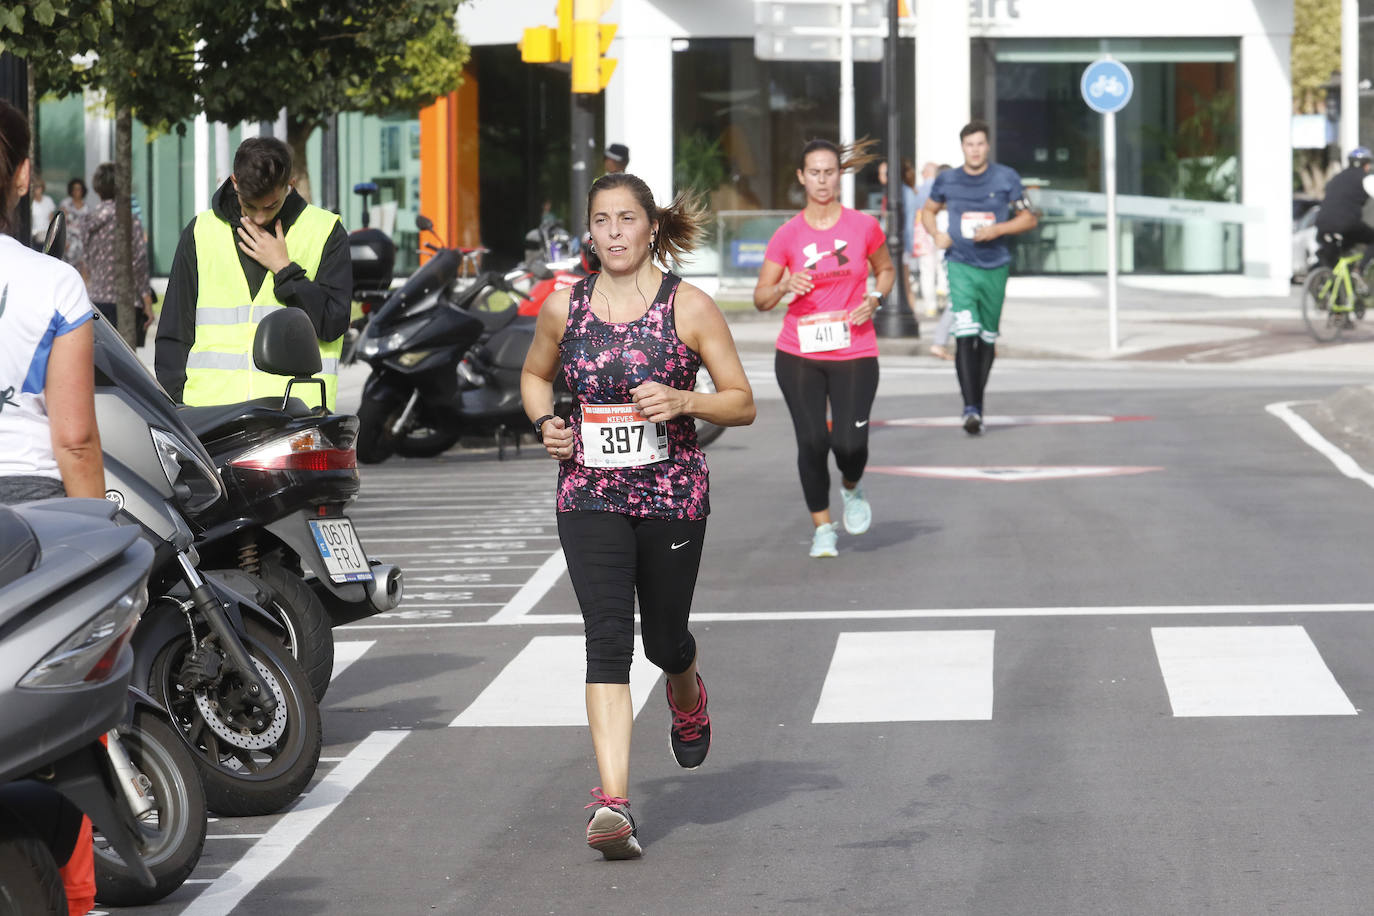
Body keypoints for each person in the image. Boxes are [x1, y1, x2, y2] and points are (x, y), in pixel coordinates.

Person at [521, 171, 755, 860]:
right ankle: (615, 803)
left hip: (671, 493)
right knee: (606, 638)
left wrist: (686, 402)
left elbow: (740, 401)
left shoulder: (691, 307)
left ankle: (686, 687)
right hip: (588, 492)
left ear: (651, 226)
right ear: (588, 232)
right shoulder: (566, 308)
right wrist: (545, 423)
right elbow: (536, 376)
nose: (615, 232)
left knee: (663, 640)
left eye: (628, 219)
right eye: (603, 221)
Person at [0, 98, 105, 916]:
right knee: (59, 730)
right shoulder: (52, 283)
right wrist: (104, 543)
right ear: (25, 175)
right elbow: (74, 440)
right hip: (37, 520)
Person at [753, 138, 893, 559]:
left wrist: (876, 299)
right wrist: (783, 285)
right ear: (801, 177)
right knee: (812, 441)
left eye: (829, 171)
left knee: (850, 445)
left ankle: (852, 486)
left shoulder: (862, 227)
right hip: (799, 352)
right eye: (814, 172)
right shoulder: (787, 235)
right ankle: (822, 527)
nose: (822, 180)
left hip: (855, 349)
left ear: (840, 175)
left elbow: (885, 269)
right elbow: (761, 298)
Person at [155, 136, 351, 408]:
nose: (259, 217)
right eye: (250, 205)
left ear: (289, 186)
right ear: (235, 183)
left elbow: (332, 324)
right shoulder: (201, 231)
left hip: (296, 414)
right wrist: (177, 403)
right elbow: (174, 332)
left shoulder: (325, 230)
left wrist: (285, 270)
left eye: (270, 206)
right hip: (209, 414)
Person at [921, 120, 1037, 434]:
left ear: (987, 146)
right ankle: (969, 408)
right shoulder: (948, 179)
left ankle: (977, 404)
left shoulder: (1006, 177)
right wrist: (936, 235)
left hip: (995, 265)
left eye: (980, 144)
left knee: (986, 338)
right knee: (965, 333)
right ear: (962, 147)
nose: (975, 150)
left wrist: (998, 229)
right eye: (969, 144)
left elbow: (1029, 217)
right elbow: (928, 211)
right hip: (960, 264)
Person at [83, 162, 155, 343]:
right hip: (127, 301)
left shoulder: (90, 219)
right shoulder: (129, 219)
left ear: (97, 188)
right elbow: (138, 261)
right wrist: (147, 302)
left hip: (98, 301)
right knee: (125, 363)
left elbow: (85, 261)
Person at [1315, 146, 1374, 265]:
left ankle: (1326, 273)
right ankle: (1360, 269)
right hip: (1346, 224)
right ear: (1367, 165)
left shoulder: (1337, 178)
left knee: (1336, 256)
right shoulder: (1366, 178)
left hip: (1322, 223)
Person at [59, 176, 90, 275]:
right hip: (67, 244)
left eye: (79, 189)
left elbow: (87, 228)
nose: (77, 191)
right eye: (75, 189)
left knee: (80, 272)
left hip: (81, 245)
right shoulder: (65, 204)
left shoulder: (86, 208)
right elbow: (60, 224)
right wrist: (63, 241)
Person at [29, 173, 55, 247]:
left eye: (39, 186)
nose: (37, 189)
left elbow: (51, 218)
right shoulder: (30, 203)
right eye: (35, 187)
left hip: (47, 236)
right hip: (34, 236)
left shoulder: (48, 200)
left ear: (42, 188)